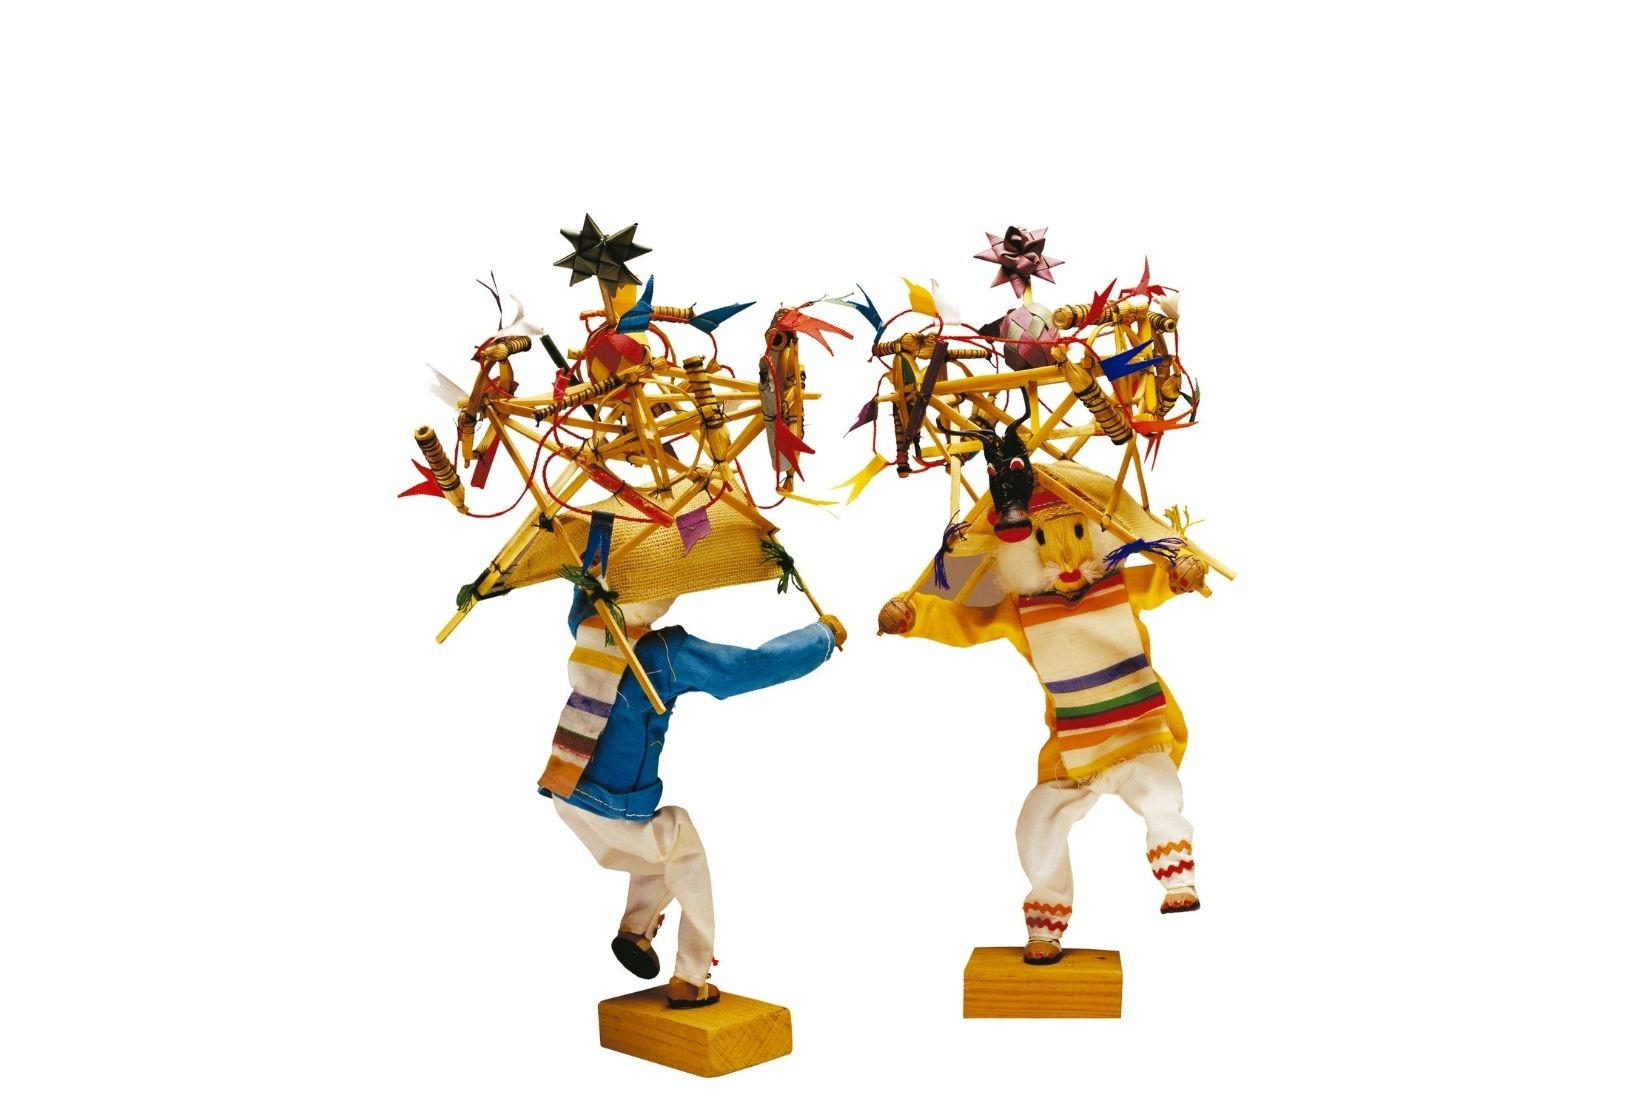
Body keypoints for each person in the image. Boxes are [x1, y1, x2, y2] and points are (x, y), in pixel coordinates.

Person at [881, 462, 1205, 965]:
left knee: (1161, 793)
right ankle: (1045, 924)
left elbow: (1166, 580)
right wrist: (916, 616)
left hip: (1139, 731)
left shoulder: (1119, 587)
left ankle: (1178, 879)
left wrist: (1182, 572)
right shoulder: (1019, 610)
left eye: (1076, 535)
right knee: (1037, 824)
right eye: (1042, 542)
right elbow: (965, 622)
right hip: (1071, 750)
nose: (1067, 563)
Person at [539, 587, 845, 1006]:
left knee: (660, 845)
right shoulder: (663, 654)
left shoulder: (588, 628)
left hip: (565, 787)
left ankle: (636, 931)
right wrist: (821, 638)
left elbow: (583, 600)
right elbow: (742, 670)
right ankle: (691, 975)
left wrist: (588, 581)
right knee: (683, 848)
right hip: (613, 804)